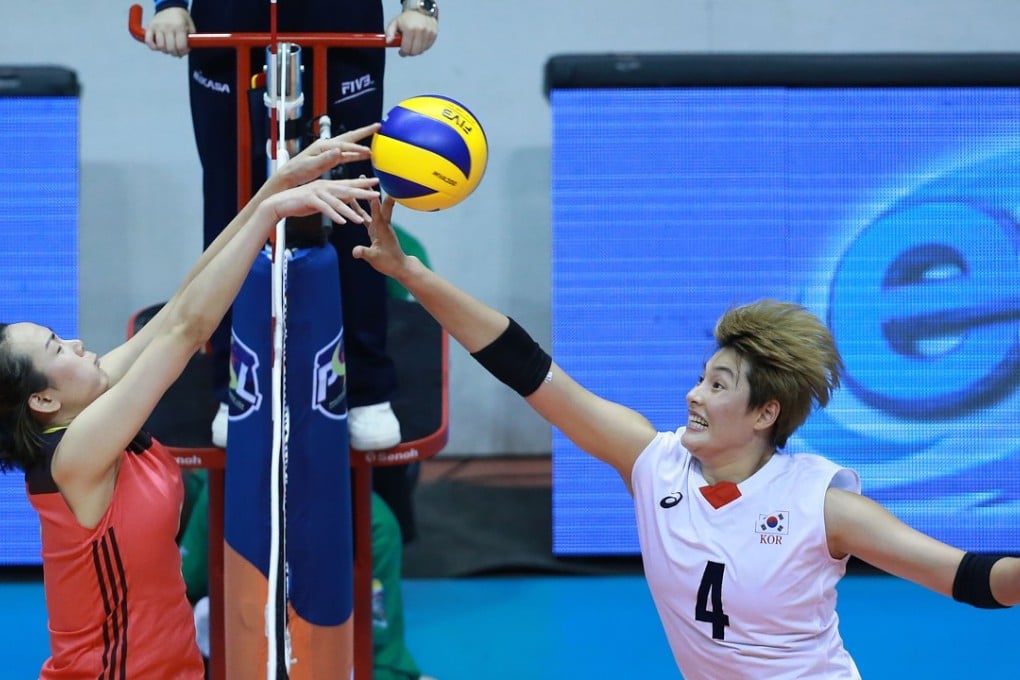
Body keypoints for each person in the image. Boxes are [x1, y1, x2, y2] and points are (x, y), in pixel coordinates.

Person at [347, 196, 1020, 679]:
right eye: (702, 377)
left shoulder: (821, 503)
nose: (695, 396)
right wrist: (411, 275)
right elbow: (525, 365)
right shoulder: (652, 462)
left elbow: (971, 579)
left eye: (720, 385)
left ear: (765, 414)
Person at [0, 133, 380, 679]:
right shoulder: (73, 460)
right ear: (43, 399)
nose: (79, 344)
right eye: (59, 349)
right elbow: (188, 330)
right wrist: (272, 211)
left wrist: (276, 185)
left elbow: (182, 301)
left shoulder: (93, 402)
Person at [144, 0, 440, 455]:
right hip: (228, 27)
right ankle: (235, 384)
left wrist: (420, 6)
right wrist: (169, 6)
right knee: (232, 204)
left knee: (350, 191)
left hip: (340, 25)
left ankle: (367, 388)